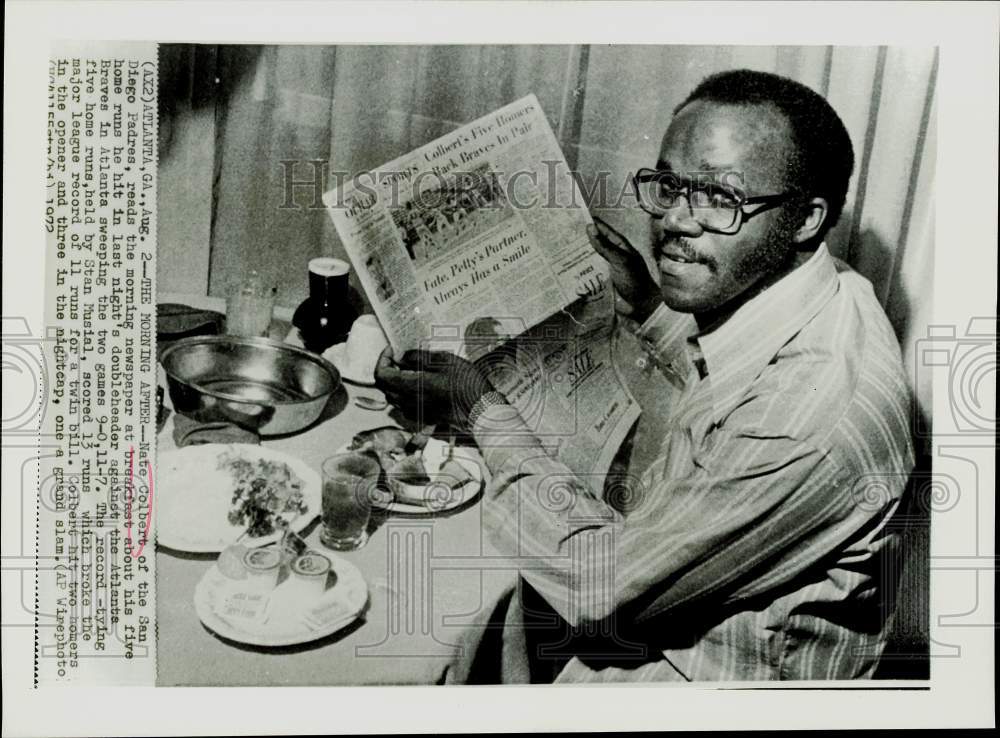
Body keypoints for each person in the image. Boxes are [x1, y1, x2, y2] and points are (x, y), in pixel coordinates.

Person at [375, 69, 915, 682]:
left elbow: (598, 587)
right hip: (654, 620)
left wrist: (480, 410)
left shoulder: (801, 423)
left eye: (719, 198)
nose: (675, 222)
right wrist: (650, 309)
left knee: (409, 627)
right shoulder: (828, 288)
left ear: (805, 219)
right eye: (667, 184)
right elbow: (729, 383)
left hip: (694, 683)